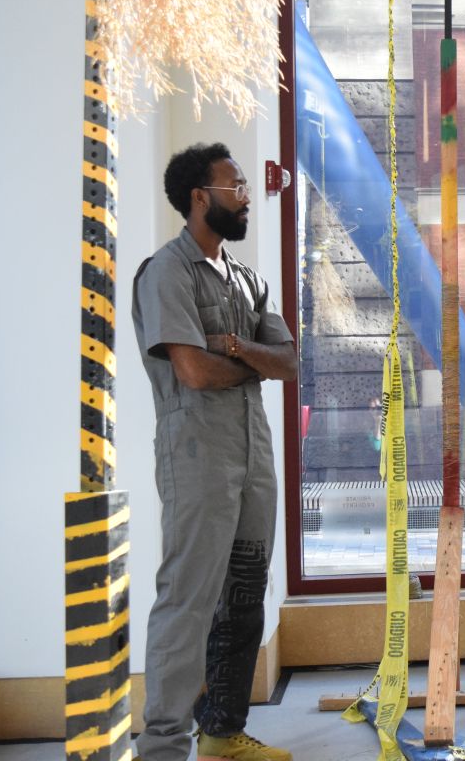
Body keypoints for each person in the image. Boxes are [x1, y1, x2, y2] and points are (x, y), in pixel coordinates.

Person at [132, 143, 298, 761]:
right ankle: (163, 747)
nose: (246, 196)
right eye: (235, 187)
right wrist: (252, 361)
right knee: (189, 599)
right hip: (197, 457)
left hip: (253, 456)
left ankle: (222, 734)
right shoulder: (166, 273)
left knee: (245, 595)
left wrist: (237, 348)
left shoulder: (248, 280)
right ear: (200, 197)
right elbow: (195, 373)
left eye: (246, 186)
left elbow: (289, 362)